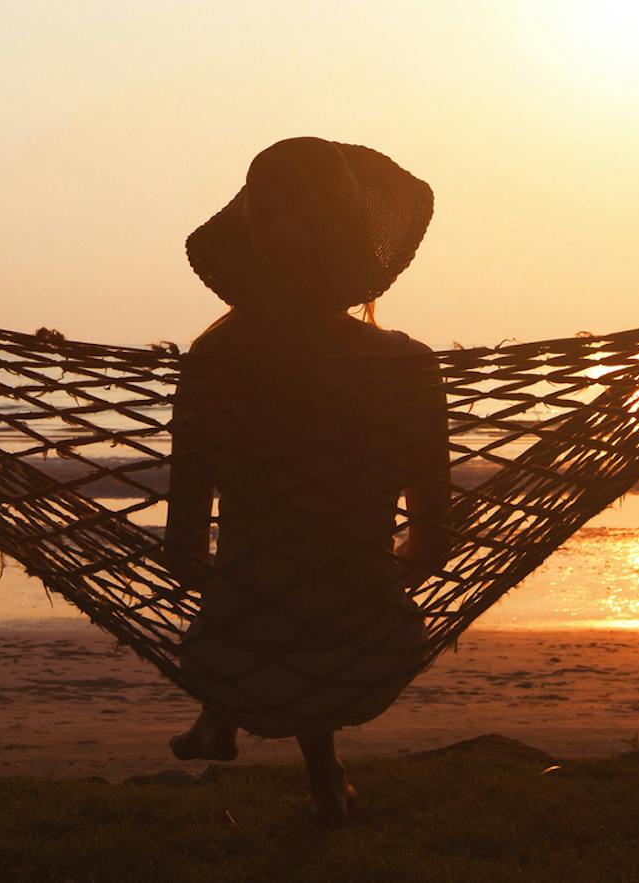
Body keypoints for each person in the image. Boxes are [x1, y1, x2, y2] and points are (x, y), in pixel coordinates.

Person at [163, 136, 451, 826]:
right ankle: (321, 774)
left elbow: (181, 551)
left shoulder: (212, 367)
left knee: (267, 588)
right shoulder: (408, 369)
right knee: (313, 589)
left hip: (232, 655)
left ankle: (222, 718)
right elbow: (434, 544)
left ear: (251, 238)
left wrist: (256, 593)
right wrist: (361, 580)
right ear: (354, 239)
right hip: (368, 648)